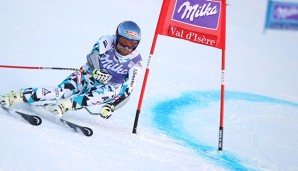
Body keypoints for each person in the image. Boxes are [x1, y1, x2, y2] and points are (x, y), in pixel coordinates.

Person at [0, 20, 142, 119]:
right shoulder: (107, 40)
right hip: (87, 76)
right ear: (117, 37)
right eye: (123, 42)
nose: (126, 48)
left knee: (107, 92)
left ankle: (62, 106)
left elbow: (127, 90)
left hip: (106, 88)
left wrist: (111, 106)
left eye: (132, 44)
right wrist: (96, 70)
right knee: (60, 91)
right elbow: (93, 55)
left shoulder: (136, 62)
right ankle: (16, 96)